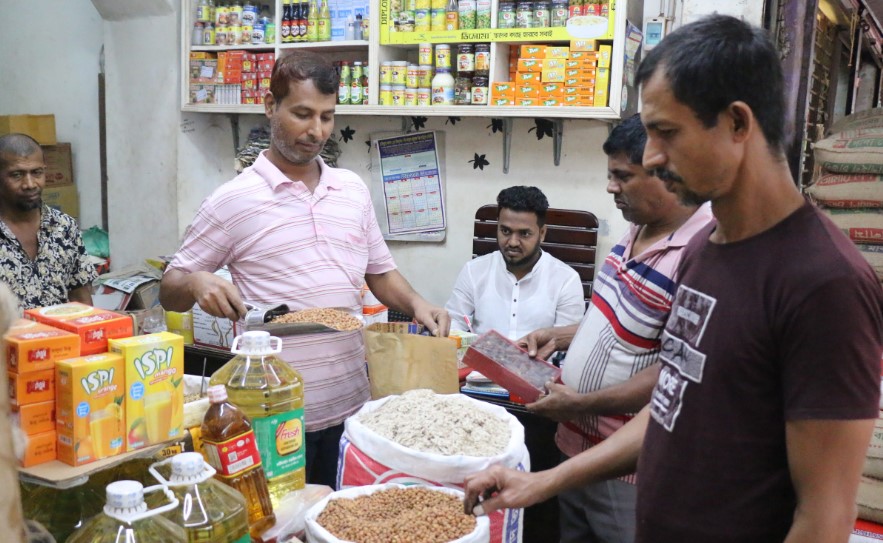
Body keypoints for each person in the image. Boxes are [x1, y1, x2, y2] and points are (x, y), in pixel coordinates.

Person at [464, 15, 883, 543]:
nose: (653, 157)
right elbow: (669, 405)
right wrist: (544, 481)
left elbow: (824, 517)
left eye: (666, 132)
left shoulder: (823, 284)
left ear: (737, 123)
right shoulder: (707, 251)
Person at [160, 50, 450, 489]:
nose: (317, 131)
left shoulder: (351, 190)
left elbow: (379, 272)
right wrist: (199, 281)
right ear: (270, 106)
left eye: (327, 117)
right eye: (302, 114)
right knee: (281, 518)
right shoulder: (232, 200)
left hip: (353, 407)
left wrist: (418, 303)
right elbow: (170, 289)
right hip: (273, 414)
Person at [515, 114, 711, 543]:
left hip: (626, 469)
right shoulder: (638, 227)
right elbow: (620, 322)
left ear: (667, 173)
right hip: (576, 445)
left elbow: (674, 372)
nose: (610, 187)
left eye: (623, 176)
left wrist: (582, 403)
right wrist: (561, 335)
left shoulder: (703, 254)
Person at [445, 185, 584, 340]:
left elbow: (565, 344)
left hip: (539, 356)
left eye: (524, 234)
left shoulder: (566, 280)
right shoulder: (473, 271)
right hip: (480, 356)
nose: (512, 242)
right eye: (505, 231)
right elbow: (453, 324)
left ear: (542, 233)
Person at [0, 133, 96, 311]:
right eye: (17, 175)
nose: (30, 184)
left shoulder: (65, 228)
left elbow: (80, 298)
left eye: (37, 173)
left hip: (60, 329)